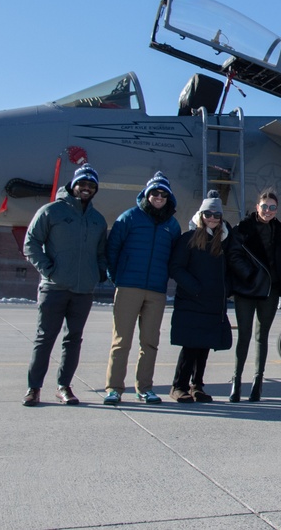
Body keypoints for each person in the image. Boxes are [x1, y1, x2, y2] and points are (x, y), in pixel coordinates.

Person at [21, 165, 108, 407]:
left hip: (83, 291)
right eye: (82, 184)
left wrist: (98, 273)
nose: (86, 189)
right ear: (73, 185)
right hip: (54, 288)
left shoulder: (97, 220)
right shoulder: (51, 211)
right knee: (45, 338)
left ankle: (64, 386)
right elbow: (31, 243)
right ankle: (34, 388)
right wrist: (49, 270)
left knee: (73, 340)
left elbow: (102, 252)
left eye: (91, 186)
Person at [103, 172, 181, 405]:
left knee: (149, 342)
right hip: (128, 287)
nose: (158, 197)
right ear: (146, 195)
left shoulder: (172, 225)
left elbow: (174, 258)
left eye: (163, 194)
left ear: (168, 198)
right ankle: (114, 388)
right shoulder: (129, 218)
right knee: (121, 341)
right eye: (154, 193)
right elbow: (112, 250)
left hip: (156, 290)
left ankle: (145, 388)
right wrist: (117, 278)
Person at [168, 191, 238, 403]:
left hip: (212, 303)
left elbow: (230, 269)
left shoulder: (224, 241)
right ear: (201, 214)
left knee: (204, 347)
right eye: (208, 214)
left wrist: (226, 289)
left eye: (217, 215)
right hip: (192, 301)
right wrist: (195, 288)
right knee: (190, 346)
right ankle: (179, 386)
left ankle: (197, 385)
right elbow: (176, 267)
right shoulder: (188, 239)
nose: (213, 219)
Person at [230, 189, 281, 402]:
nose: (268, 211)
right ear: (257, 207)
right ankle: (236, 383)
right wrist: (251, 275)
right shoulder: (243, 229)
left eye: (272, 208)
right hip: (247, 289)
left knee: (261, 337)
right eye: (264, 207)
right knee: (244, 336)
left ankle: (257, 383)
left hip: (270, 290)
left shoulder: (279, 230)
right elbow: (234, 255)